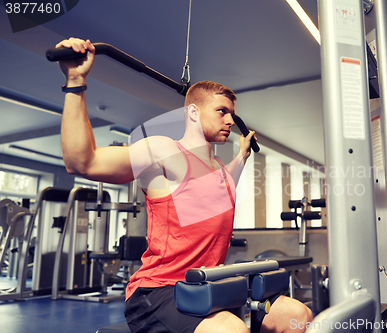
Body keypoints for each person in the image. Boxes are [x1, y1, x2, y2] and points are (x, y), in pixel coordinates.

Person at [56, 37, 313, 333]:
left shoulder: (218, 170)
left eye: (233, 114)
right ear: (193, 112)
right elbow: (83, 162)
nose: (230, 120)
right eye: (222, 111)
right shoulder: (165, 151)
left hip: (208, 287)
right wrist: (76, 81)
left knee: (297, 316)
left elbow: (226, 178)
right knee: (231, 330)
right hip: (159, 291)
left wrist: (243, 151)